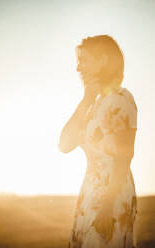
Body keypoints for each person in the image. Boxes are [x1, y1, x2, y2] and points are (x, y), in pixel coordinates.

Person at [58, 35, 137, 248]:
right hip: (89, 194)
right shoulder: (92, 105)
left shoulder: (120, 98)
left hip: (111, 197)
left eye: (83, 61)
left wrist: (107, 206)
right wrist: (85, 100)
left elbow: (124, 157)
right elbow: (64, 145)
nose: (78, 68)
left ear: (102, 60)